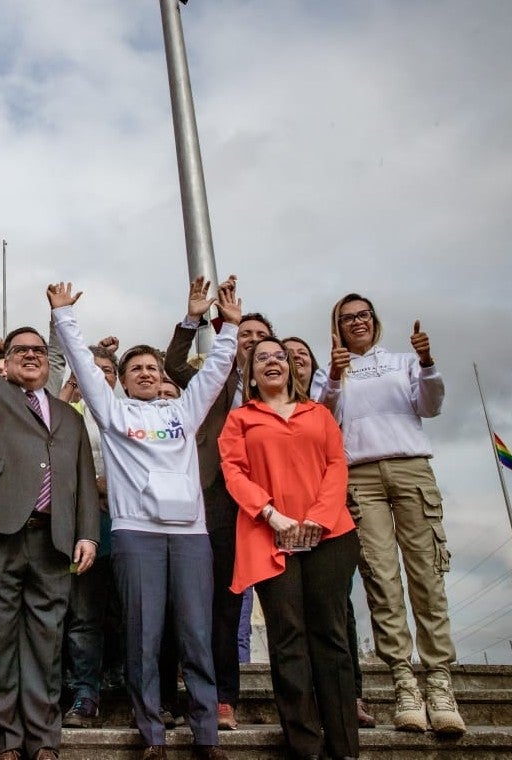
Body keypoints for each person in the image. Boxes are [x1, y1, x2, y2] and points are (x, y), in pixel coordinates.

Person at [50, 277, 237, 760]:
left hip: (190, 535)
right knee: (143, 636)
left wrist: (231, 328)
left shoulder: (184, 411)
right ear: (124, 378)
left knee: (195, 633)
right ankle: (151, 732)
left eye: (152, 367)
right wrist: (64, 317)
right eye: (136, 368)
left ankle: (205, 734)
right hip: (136, 534)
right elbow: (86, 373)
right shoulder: (112, 413)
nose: (147, 373)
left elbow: (216, 373)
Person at [0, 268, 99, 760]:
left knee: (45, 642)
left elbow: (81, 481)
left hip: (52, 541)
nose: (31, 354)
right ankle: (7, 743)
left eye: (38, 349)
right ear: (6, 362)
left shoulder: (69, 417)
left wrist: (88, 535)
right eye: (20, 350)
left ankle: (44, 742)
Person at [321, 294, 465, 736]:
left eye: (362, 316)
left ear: (374, 320)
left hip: (410, 467)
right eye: (347, 319)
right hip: (360, 475)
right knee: (381, 580)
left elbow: (431, 405)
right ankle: (404, 683)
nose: (356, 323)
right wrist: (333, 375)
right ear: (337, 327)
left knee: (426, 575)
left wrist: (426, 361)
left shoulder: (404, 361)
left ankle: (439, 683)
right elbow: (326, 418)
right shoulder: (336, 369)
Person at [220, 336, 360, 760]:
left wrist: (318, 516)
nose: (271, 362)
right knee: (288, 639)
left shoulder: (318, 413)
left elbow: (337, 465)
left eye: (278, 356)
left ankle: (344, 747)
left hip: (329, 536)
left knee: (330, 636)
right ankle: (305, 746)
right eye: (261, 358)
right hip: (269, 536)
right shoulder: (242, 418)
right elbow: (234, 470)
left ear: (292, 367)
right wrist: (271, 514)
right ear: (251, 373)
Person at [165, 291, 274, 731]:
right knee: (212, 601)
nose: (250, 341)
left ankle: (234, 693)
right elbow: (173, 364)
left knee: (246, 606)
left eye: (259, 336)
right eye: (243, 334)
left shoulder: (277, 385)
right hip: (214, 496)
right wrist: (193, 319)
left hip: (268, 501)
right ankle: (213, 696)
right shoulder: (212, 377)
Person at [282, 335, 376, 730]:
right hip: (279, 522)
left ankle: (347, 697)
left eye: (301, 355)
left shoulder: (326, 399)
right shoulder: (257, 405)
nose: (293, 361)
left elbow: (335, 460)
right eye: (286, 356)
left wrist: (321, 515)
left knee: (336, 613)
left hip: (328, 518)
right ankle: (306, 710)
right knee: (292, 619)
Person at [58, 341, 123, 729]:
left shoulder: (128, 411)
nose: (100, 376)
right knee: (82, 613)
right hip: (83, 524)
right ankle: (85, 692)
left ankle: (121, 682)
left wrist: (107, 486)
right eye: (92, 370)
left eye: (108, 371)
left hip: (129, 522)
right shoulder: (70, 413)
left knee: (123, 610)